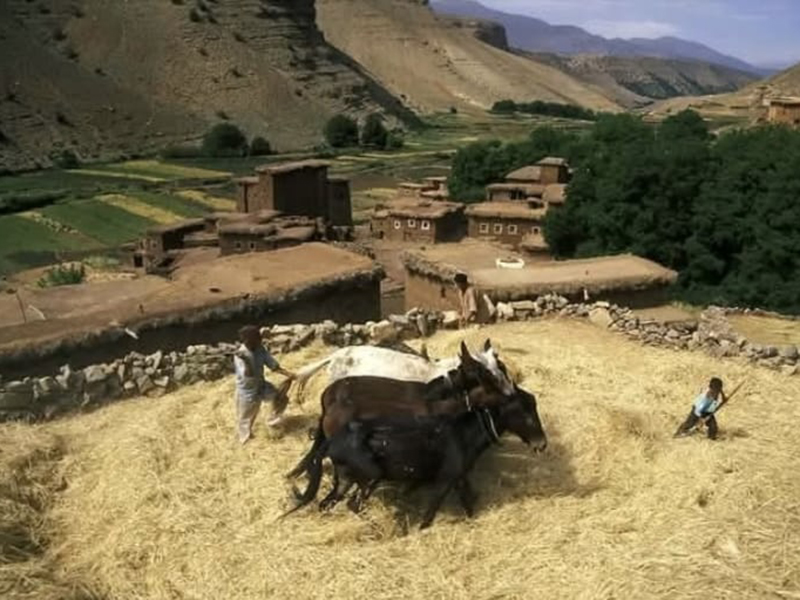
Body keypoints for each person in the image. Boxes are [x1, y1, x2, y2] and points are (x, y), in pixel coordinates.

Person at [233, 325, 296, 445]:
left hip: (261, 385)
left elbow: (272, 364)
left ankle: (273, 422)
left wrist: (288, 374)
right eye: (257, 339)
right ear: (248, 340)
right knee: (246, 418)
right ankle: (245, 440)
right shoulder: (241, 355)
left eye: (259, 338)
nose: (260, 341)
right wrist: (246, 361)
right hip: (247, 390)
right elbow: (248, 375)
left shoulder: (260, 348)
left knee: (281, 398)